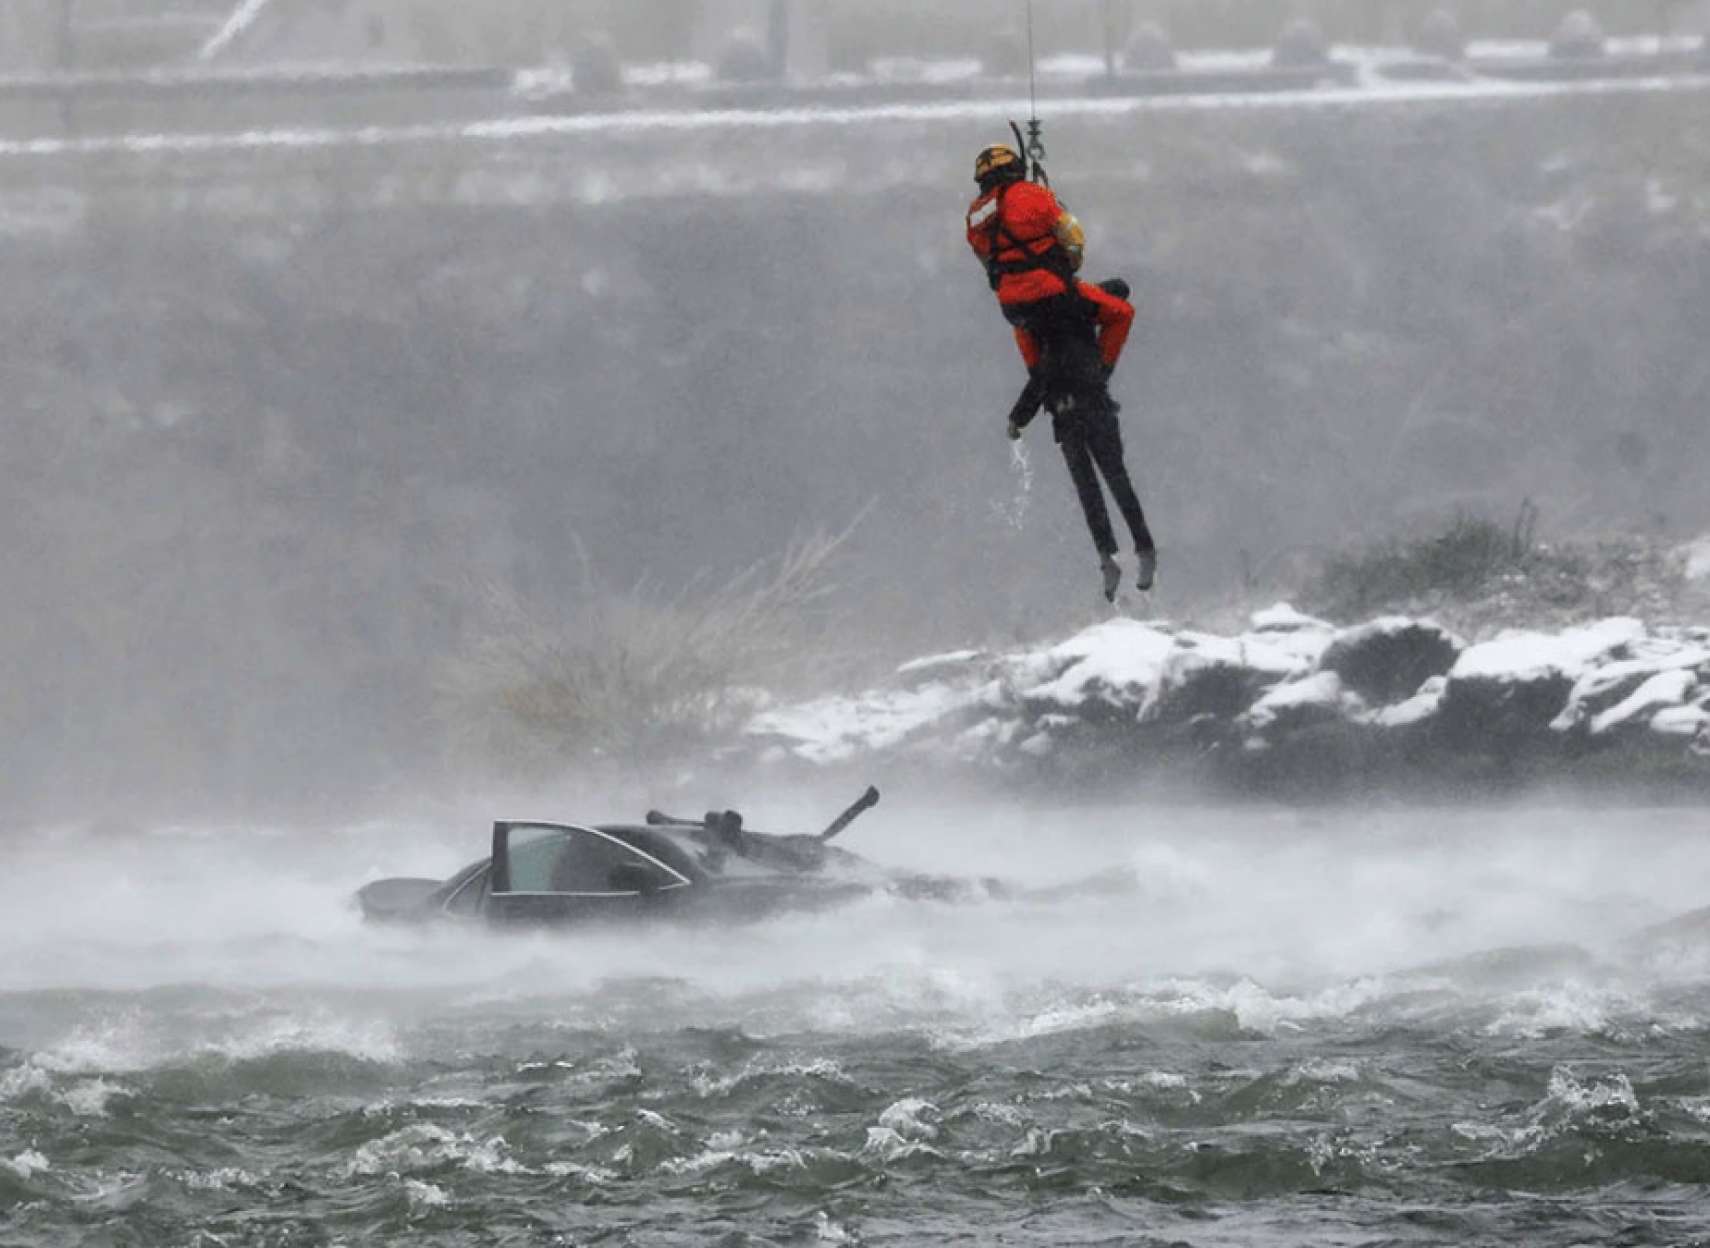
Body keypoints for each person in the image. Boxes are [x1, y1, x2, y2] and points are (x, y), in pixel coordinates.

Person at [965, 143, 1157, 601]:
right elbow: (1070, 240)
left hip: (1019, 312)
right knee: (1115, 474)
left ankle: (1106, 558)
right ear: (1015, 168)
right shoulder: (1034, 196)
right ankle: (1143, 547)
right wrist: (1103, 369)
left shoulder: (977, 217)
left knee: (1086, 485)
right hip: (1063, 318)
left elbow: (992, 256)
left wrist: (1023, 412)